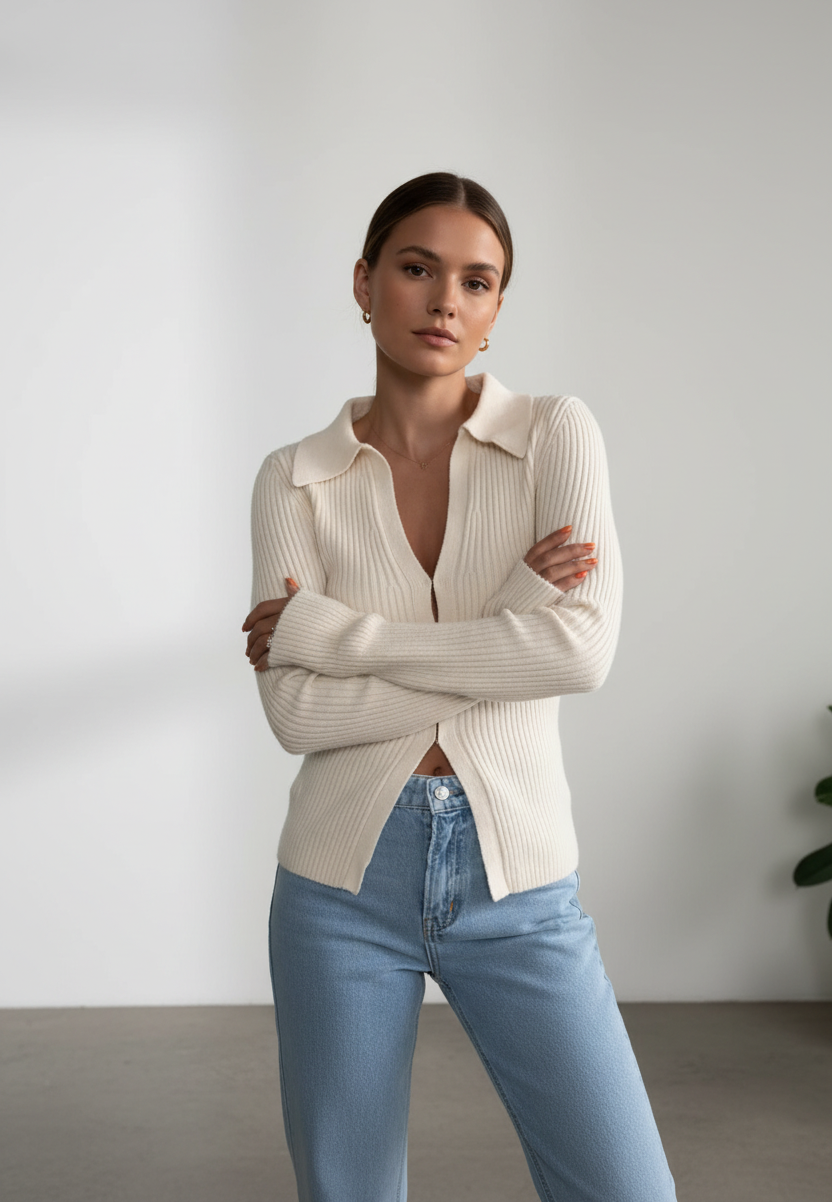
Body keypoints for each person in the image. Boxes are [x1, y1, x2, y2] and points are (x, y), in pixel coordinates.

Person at [242, 172, 676, 1202]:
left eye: (477, 282)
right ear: (364, 283)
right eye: (416, 268)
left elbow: (577, 655)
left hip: (519, 884)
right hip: (339, 887)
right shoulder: (292, 478)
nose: (446, 300)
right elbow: (294, 714)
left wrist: (334, 635)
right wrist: (507, 627)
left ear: (493, 311)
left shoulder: (554, 435)